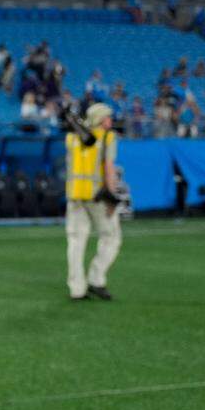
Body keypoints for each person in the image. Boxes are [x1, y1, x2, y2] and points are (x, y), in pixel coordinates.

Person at [64, 102, 121, 301]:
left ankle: (76, 288)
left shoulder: (71, 137)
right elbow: (109, 168)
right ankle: (96, 279)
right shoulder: (107, 137)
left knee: (76, 242)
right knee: (111, 237)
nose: (111, 121)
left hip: (74, 196)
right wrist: (112, 195)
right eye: (108, 117)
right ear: (100, 118)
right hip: (98, 197)